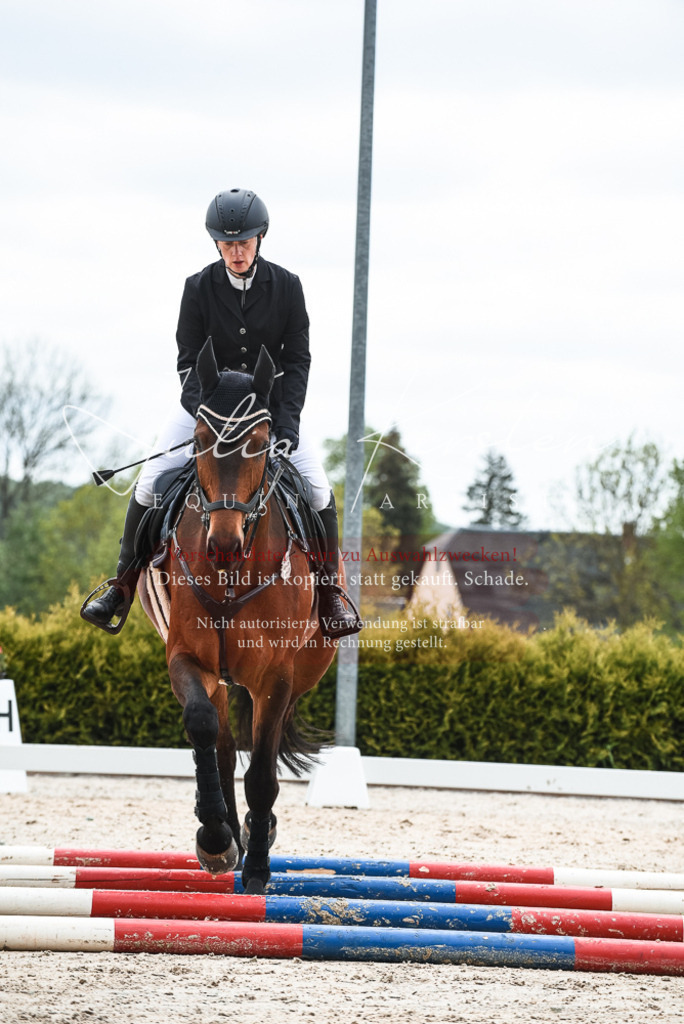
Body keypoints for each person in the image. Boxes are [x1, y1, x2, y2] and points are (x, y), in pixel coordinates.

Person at [82, 187, 361, 639]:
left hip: (267, 411)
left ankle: (330, 593)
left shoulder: (287, 286)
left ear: (260, 238)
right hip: (207, 409)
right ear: (216, 243)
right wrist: (207, 417)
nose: (236, 253)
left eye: (244, 243)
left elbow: (297, 361)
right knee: (149, 483)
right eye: (228, 244)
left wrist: (287, 423)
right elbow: (187, 359)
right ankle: (121, 586)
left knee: (317, 491)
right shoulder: (197, 288)